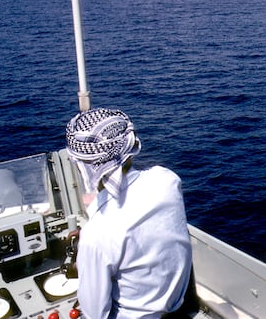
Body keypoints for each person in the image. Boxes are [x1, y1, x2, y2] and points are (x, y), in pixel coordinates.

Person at [65, 108, 193, 318]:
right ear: (130, 147)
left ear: (83, 166)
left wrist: (87, 252)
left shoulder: (96, 234)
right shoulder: (167, 180)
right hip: (177, 309)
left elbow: (95, 314)